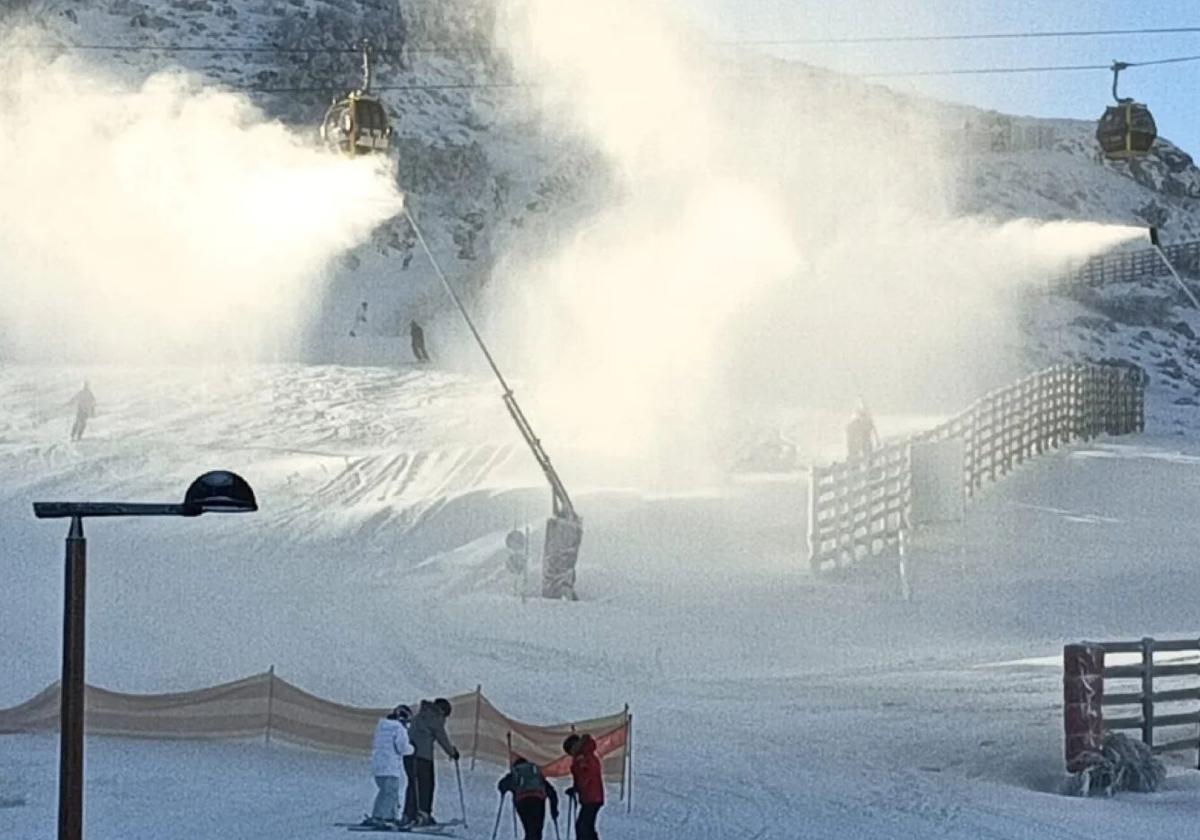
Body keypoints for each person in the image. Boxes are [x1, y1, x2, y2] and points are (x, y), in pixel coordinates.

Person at [402, 698, 460, 827]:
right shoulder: (435, 717)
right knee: (426, 786)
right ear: (443, 711)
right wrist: (452, 753)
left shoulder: (420, 715)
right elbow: (442, 738)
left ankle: (408, 814)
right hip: (423, 757)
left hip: (408, 756)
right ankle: (423, 814)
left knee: (413, 785)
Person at [362, 704, 413, 829]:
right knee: (390, 793)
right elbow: (402, 747)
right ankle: (384, 817)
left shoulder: (382, 726)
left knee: (384, 792)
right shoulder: (399, 729)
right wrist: (412, 749)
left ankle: (382, 816)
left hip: (378, 765)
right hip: (390, 767)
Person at [497, 756, 559, 840]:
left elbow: (502, 785)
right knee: (536, 831)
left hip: (522, 801)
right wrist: (554, 809)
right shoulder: (535, 773)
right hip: (538, 800)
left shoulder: (516, 772)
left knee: (530, 830)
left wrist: (505, 790)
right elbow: (551, 791)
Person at [563, 734, 604, 840]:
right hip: (594, 795)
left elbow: (584, 775)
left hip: (590, 796)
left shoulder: (581, 757)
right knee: (587, 826)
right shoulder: (588, 754)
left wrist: (577, 788)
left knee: (583, 827)